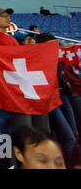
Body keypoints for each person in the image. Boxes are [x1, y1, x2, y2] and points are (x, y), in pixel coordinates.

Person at [0, 8, 51, 134]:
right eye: (3, 16)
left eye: (8, 16)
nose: (8, 18)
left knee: (41, 128)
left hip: (24, 84)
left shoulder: (12, 39)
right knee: (25, 129)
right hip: (11, 87)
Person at [35, 33, 81, 168]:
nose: (57, 48)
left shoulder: (58, 59)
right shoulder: (38, 60)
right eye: (53, 45)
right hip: (50, 100)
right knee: (69, 138)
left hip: (63, 96)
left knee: (75, 135)